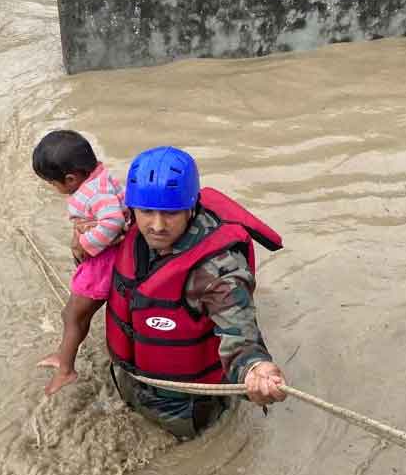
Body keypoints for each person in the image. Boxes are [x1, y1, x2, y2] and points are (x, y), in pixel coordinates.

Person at [105, 146, 288, 440]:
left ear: (191, 207)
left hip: (181, 407)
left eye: (171, 213)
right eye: (147, 212)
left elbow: (241, 334)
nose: (157, 225)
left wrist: (255, 370)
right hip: (129, 376)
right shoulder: (127, 228)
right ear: (132, 208)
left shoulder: (219, 270)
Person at [32, 130, 128, 395]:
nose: (55, 189)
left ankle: (66, 370)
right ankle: (64, 356)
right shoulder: (99, 177)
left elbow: (113, 222)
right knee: (72, 314)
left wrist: (84, 245)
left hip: (103, 264)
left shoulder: (95, 192)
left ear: (71, 178)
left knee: (74, 315)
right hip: (104, 259)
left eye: (54, 184)